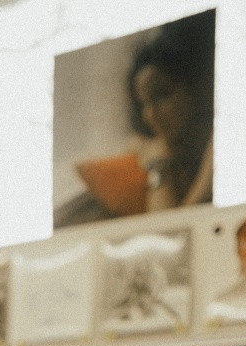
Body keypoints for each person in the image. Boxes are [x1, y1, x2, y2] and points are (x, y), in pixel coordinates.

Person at [54, 11, 214, 228]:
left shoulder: (217, 144)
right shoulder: (165, 147)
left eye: (162, 94)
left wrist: (157, 167)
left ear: (194, 89)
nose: (151, 114)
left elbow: (169, 229)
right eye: (143, 104)